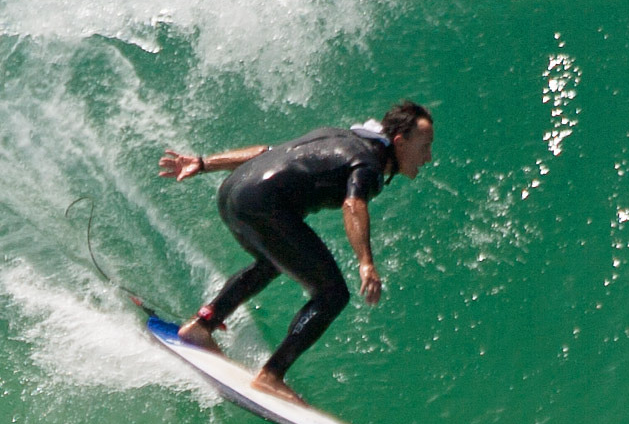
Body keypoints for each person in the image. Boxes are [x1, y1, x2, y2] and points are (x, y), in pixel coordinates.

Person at [158, 100, 434, 403]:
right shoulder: (368, 164)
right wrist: (366, 262)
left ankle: (202, 326)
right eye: (424, 146)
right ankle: (271, 375)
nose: (428, 157)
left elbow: (267, 153)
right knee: (333, 294)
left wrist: (204, 163)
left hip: (233, 192)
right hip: (262, 205)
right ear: (399, 141)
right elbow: (353, 204)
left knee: (271, 262)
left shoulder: (339, 137)